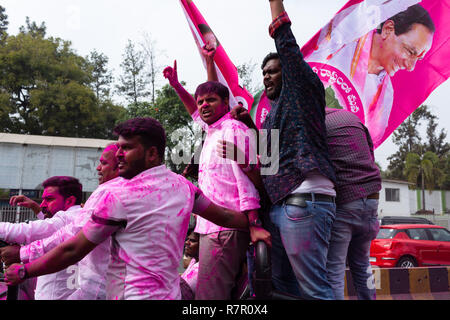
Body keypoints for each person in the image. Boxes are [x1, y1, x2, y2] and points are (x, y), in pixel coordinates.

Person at [4, 117, 264, 300]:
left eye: (126, 148)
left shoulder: (118, 196)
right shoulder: (184, 187)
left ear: (152, 154)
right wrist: (255, 225)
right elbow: (227, 216)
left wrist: (26, 269)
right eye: (118, 147)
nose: (118, 155)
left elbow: (73, 248)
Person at [251, 0, 337, 300]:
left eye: (273, 71)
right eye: (263, 72)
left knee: (315, 291)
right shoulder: (273, 115)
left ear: (289, 72)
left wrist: (275, 4)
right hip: (280, 208)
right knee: (285, 290)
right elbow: (267, 157)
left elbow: (286, 44)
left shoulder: (301, 88)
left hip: (304, 202)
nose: (266, 76)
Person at [164, 63, 270, 300]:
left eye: (210, 100)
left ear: (225, 104)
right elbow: (194, 112)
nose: (203, 106)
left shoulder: (234, 129)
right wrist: (177, 86)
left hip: (226, 229)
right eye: (200, 101)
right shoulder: (213, 131)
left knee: (210, 297)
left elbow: (245, 181)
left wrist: (253, 222)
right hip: (211, 228)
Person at [306, 3, 435, 145]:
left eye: (418, 59)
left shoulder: (386, 96)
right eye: (410, 51)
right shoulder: (342, 43)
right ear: (388, 29)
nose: (410, 67)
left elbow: (367, 147)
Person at [8, 144, 121, 300]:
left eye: (49, 199)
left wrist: (22, 259)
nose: (98, 168)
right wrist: (36, 210)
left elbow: (55, 233)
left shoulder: (107, 195)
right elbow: (53, 227)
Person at [324, 108, 381, 300]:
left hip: (346, 200)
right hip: (372, 199)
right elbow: (370, 154)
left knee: (335, 269)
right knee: (363, 263)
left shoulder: (314, 122)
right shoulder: (352, 118)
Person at [0, 176, 83, 300]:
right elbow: (52, 229)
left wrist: (20, 253)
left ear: (69, 201)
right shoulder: (79, 216)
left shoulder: (68, 218)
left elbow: (27, 231)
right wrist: (35, 207)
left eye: (49, 199)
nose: (43, 205)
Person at [180, 230, 200, 300]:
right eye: (187, 239)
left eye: (192, 241)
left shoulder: (202, 267)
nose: (186, 242)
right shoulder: (193, 261)